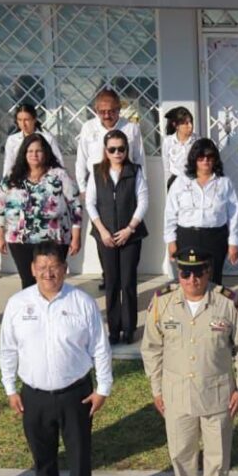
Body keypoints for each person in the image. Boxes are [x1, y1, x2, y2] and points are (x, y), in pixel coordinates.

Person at [0, 242, 112, 476]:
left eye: (55, 267)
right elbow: (8, 349)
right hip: (34, 396)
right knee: (43, 458)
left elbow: (100, 348)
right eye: (42, 267)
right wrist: (10, 389)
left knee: (79, 456)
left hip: (76, 394)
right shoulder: (17, 304)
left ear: (65, 269)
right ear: (33, 269)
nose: (49, 273)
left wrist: (103, 389)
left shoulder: (82, 302)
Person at [141, 249, 238, 476]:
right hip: (177, 396)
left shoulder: (226, 302)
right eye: (185, 273)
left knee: (217, 457)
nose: (192, 279)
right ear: (178, 273)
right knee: (182, 454)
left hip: (217, 394)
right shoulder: (163, 302)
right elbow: (151, 349)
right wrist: (156, 388)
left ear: (209, 271)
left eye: (199, 272)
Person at [0, 134, 83, 289]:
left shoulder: (59, 175)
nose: (34, 155)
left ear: (46, 153)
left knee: (52, 282)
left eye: (38, 151)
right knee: (28, 282)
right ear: (24, 153)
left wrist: (76, 236)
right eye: (30, 151)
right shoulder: (11, 177)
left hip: (54, 238)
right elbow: (0, 207)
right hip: (20, 240)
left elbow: (75, 205)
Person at [86, 128, 149, 343]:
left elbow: (143, 201)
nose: (117, 153)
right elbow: (90, 203)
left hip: (130, 235)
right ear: (105, 151)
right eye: (112, 149)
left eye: (121, 149)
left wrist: (130, 228)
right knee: (112, 283)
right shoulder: (97, 172)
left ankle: (129, 328)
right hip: (105, 237)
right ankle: (113, 329)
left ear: (126, 149)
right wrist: (102, 231)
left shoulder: (135, 171)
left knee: (128, 283)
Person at [164, 137, 238, 284]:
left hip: (215, 238)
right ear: (194, 159)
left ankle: (212, 307)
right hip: (187, 237)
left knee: (213, 280)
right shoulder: (181, 181)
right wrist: (171, 241)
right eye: (201, 157)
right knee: (189, 280)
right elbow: (170, 213)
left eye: (210, 157)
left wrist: (233, 242)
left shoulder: (224, 183)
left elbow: (234, 214)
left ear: (215, 159)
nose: (205, 161)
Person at [73, 88, 144, 198]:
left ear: (119, 109)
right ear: (96, 110)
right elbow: (81, 159)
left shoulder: (131, 128)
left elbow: (139, 160)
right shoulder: (88, 127)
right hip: (96, 186)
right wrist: (83, 188)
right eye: (102, 112)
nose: (106, 115)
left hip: (125, 186)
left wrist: (141, 188)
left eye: (111, 111)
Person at [4, 101, 66, 178]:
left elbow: (58, 161)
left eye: (26, 120)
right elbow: (9, 164)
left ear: (34, 119)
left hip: (43, 180)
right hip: (20, 181)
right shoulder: (12, 140)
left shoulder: (47, 138)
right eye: (20, 120)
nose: (23, 124)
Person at [161, 107, 194, 188]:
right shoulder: (168, 141)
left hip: (192, 181)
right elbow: (166, 165)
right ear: (176, 125)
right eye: (186, 123)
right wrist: (169, 181)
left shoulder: (197, 141)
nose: (190, 126)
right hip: (175, 181)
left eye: (191, 122)